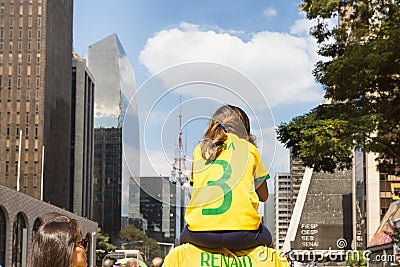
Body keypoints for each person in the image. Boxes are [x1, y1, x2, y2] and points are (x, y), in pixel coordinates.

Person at [179, 105, 272, 250]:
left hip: (200, 233)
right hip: (243, 233)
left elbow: (197, 189)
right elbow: (264, 196)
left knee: (181, 245)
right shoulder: (250, 150)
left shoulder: (200, 150)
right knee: (268, 241)